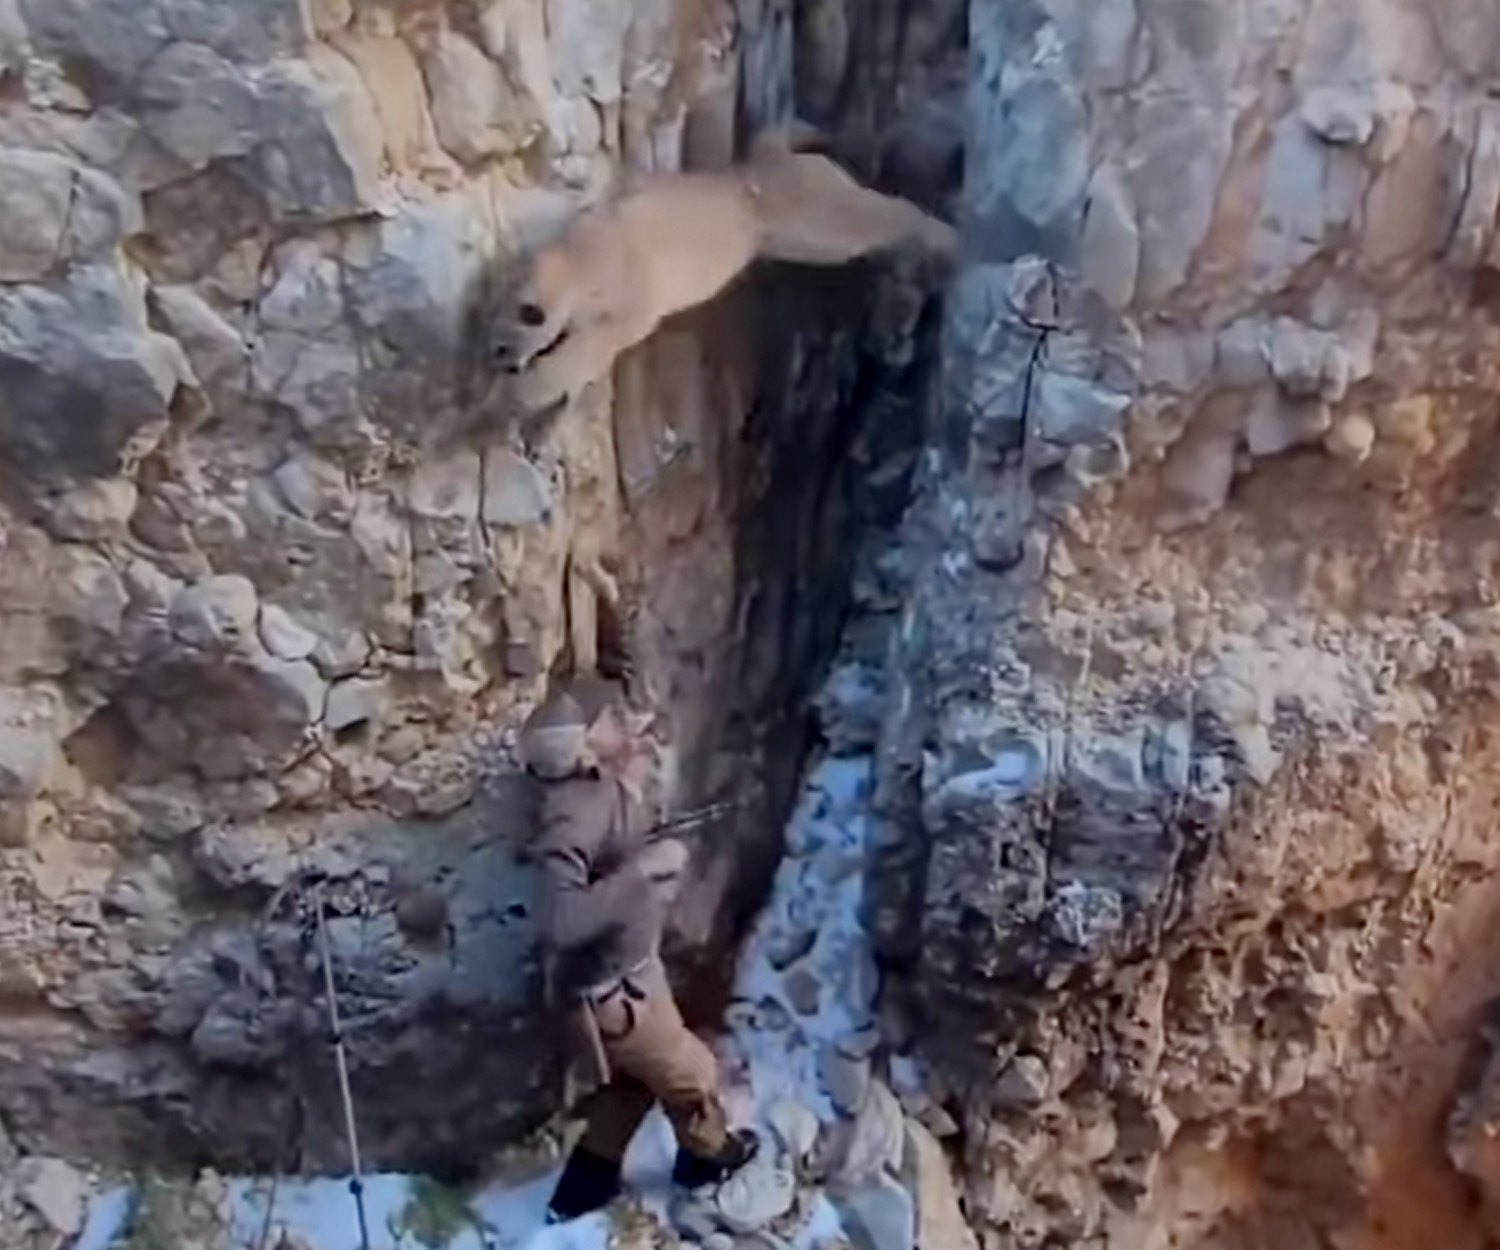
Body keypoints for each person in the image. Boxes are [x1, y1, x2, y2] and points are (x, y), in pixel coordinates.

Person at [518, 684, 758, 1222]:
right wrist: (642, 870)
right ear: (583, 747)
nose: (634, 720)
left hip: (635, 976)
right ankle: (706, 1159)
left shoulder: (602, 788)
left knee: (633, 1085)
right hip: (613, 995)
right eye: (615, 718)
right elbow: (560, 921)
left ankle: (586, 1184)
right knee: (690, 1074)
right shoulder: (573, 816)